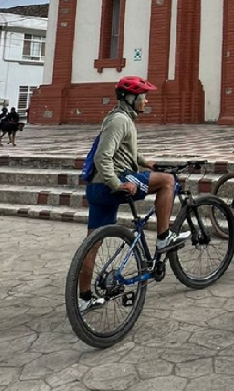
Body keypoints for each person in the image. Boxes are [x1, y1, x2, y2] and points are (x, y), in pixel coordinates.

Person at [76, 76, 190, 313]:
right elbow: (103, 156)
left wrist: (145, 162)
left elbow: (125, 151)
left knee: (93, 243)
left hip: (97, 188)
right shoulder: (120, 121)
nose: (146, 101)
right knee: (168, 182)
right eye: (143, 97)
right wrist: (117, 184)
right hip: (111, 183)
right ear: (131, 98)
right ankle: (163, 237)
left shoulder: (119, 118)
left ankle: (84, 298)